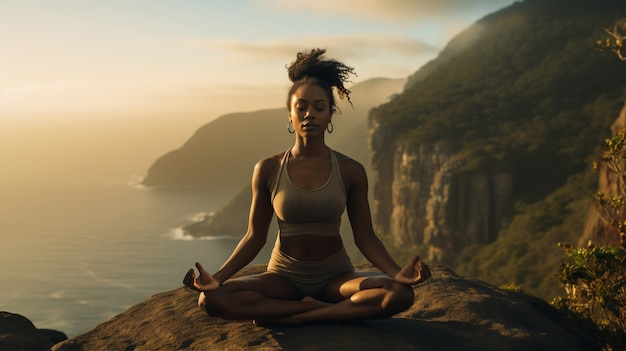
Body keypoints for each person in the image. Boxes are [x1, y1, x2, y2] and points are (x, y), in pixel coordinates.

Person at [183, 48, 431, 326]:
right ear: (290, 115)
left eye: (319, 107)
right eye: (301, 107)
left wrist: (398, 274)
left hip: (336, 278)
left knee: (399, 294)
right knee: (211, 300)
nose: (309, 114)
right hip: (282, 279)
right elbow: (254, 236)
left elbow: (365, 237)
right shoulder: (268, 168)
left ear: (329, 116)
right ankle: (321, 312)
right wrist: (217, 278)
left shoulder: (350, 170)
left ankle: (298, 316)